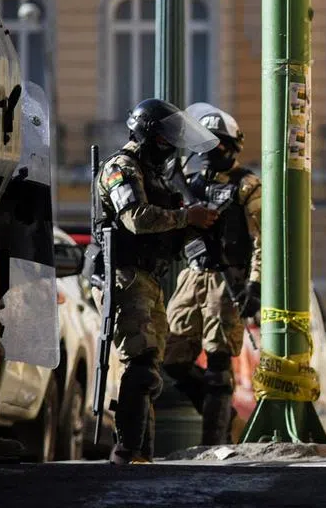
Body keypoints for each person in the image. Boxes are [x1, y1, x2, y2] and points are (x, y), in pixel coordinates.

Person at [94, 98, 220, 464]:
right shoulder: (122, 167)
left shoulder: (154, 174)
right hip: (126, 274)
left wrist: (198, 227)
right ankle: (127, 451)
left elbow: (163, 231)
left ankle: (140, 454)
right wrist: (186, 218)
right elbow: (135, 218)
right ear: (149, 135)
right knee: (142, 362)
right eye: (166, 140)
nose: (170, 148)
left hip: (148, 277)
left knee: (150, 365)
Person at [162, 104, 262, 446]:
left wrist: (255, 284)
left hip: (227, 278)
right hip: (192, 276)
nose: (209, 151)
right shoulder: (188, 183)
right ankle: (219, 410)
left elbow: (263, 238)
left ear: (231, 146)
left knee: (220, 360)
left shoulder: (246, 186)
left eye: (216, 143)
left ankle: (214, 439)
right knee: (172, 356)